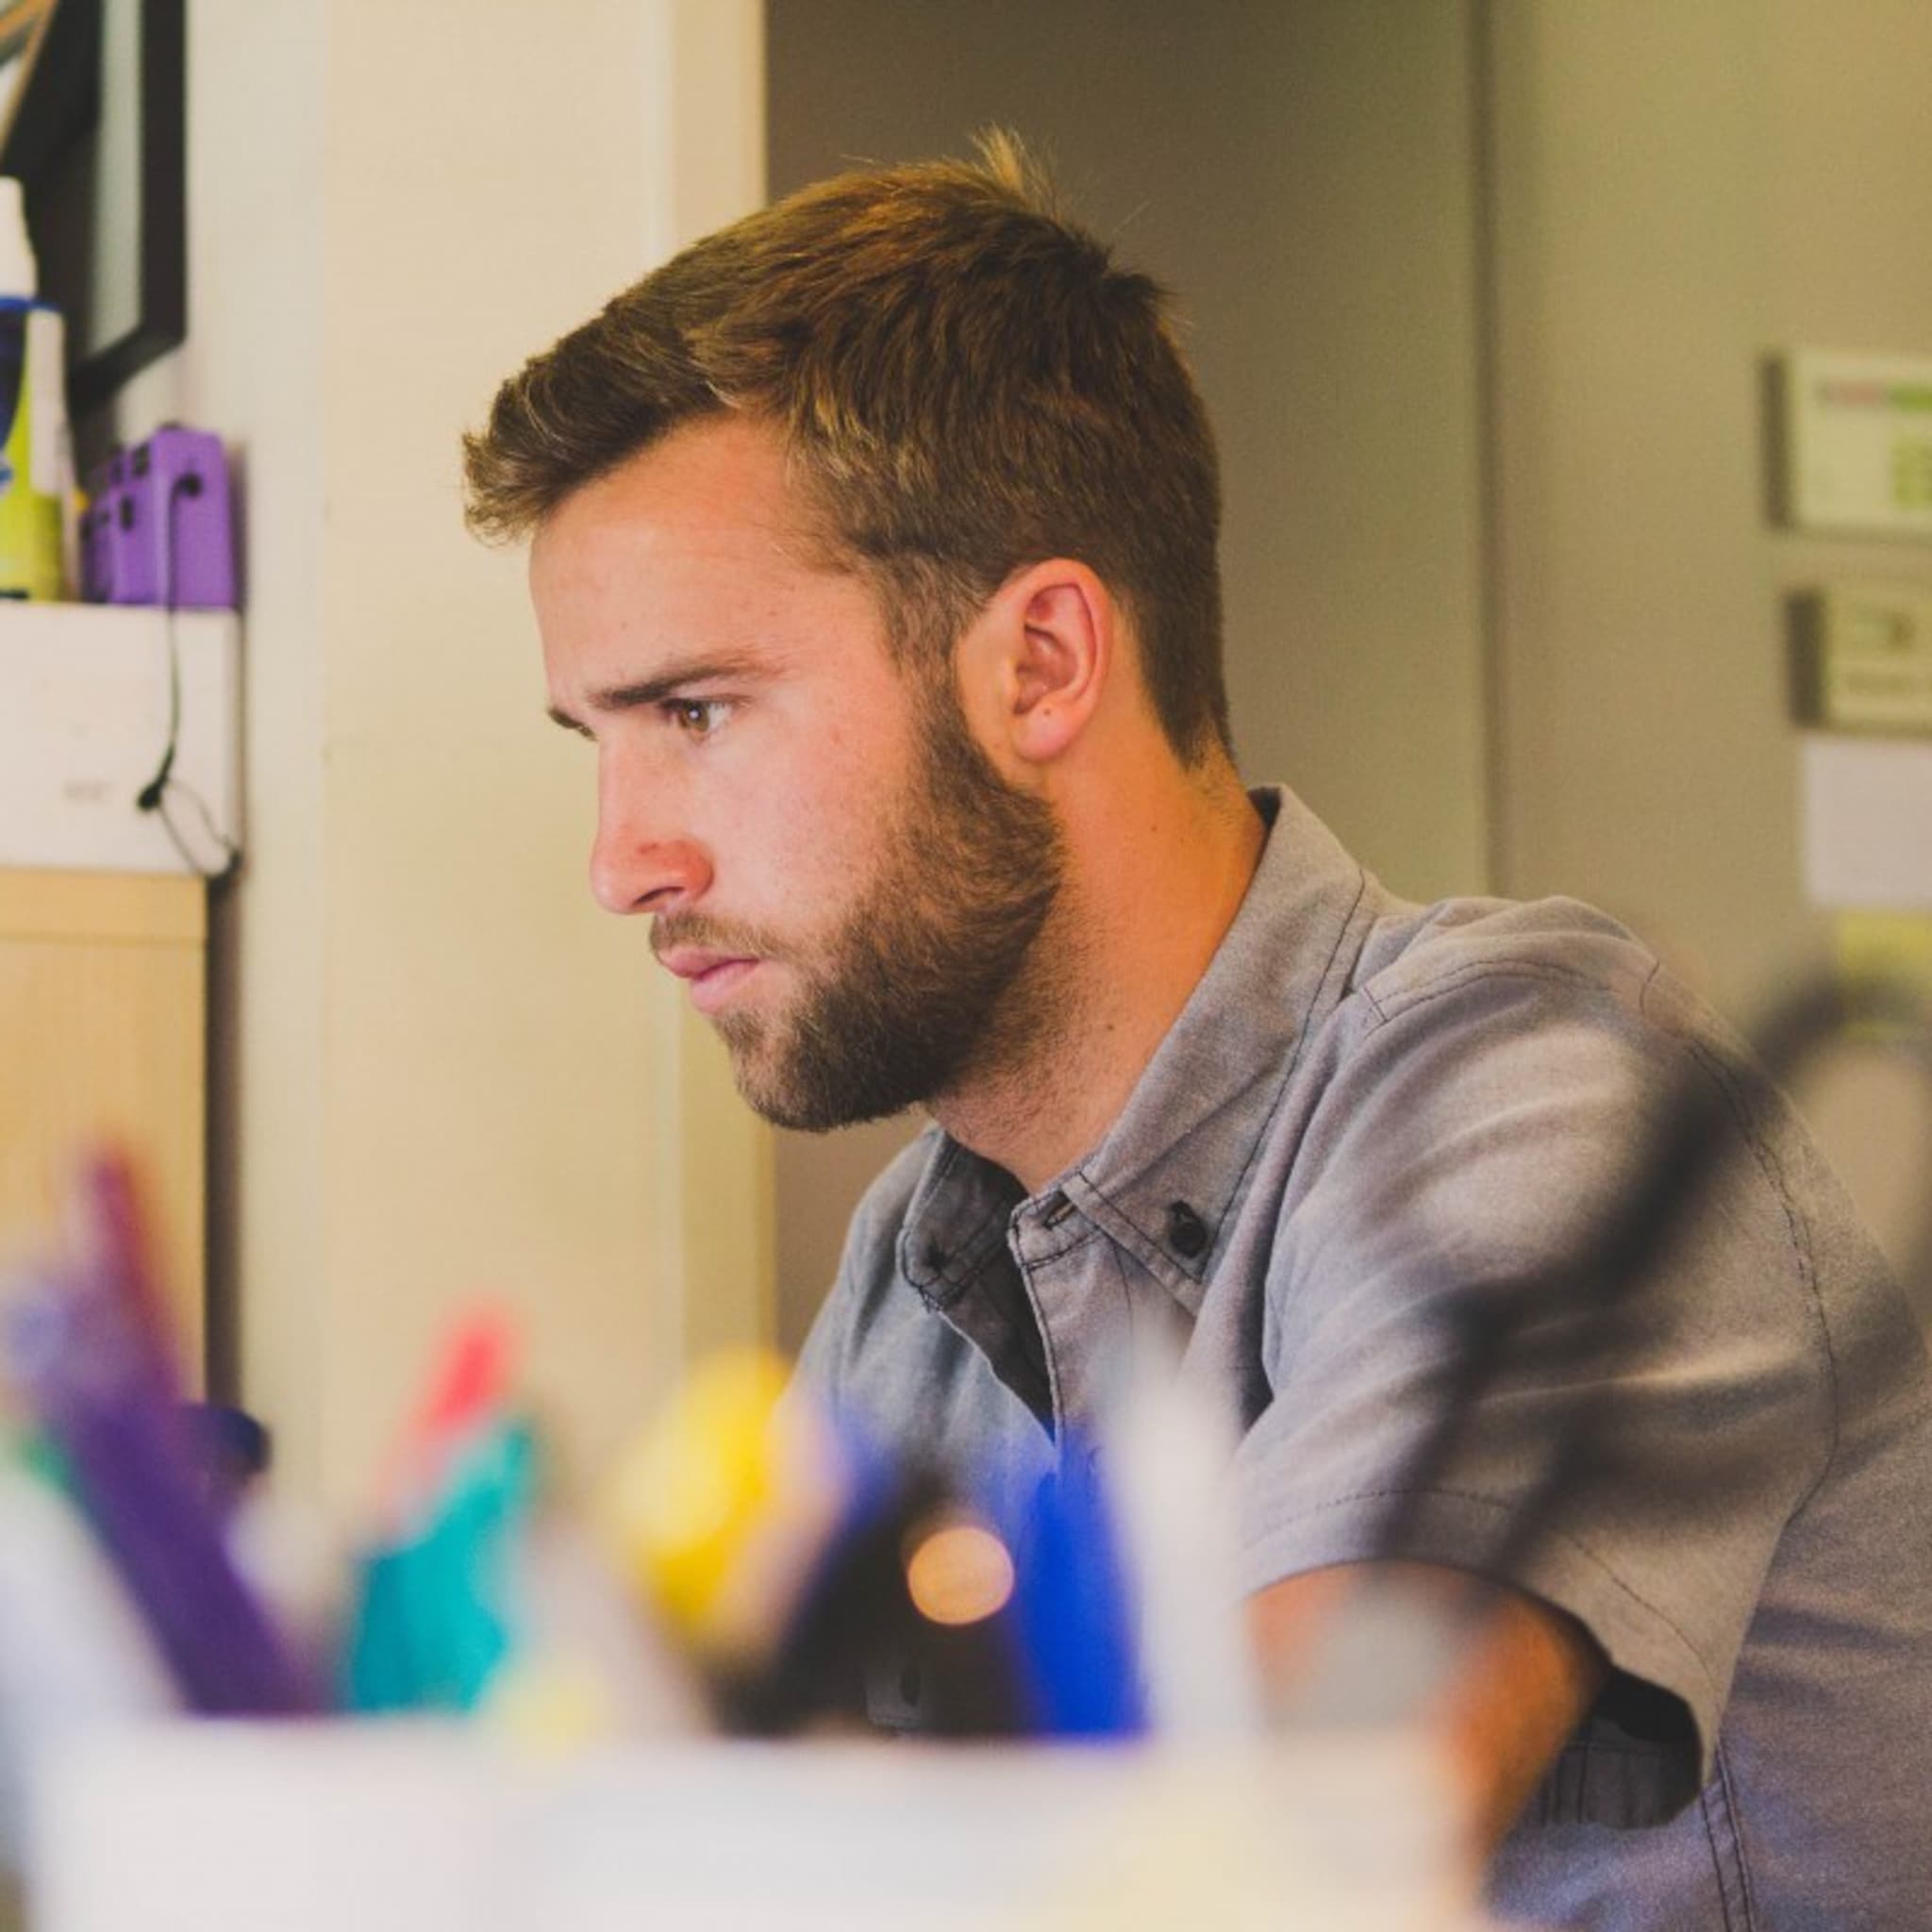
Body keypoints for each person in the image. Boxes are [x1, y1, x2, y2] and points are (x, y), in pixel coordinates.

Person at [463, 137, 1932, 1927]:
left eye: (693, 711)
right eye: (594, 741)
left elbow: (1270, 1866)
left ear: (1043, 664)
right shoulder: (914, 1272)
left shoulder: (1542, 1092)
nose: (623, 860)